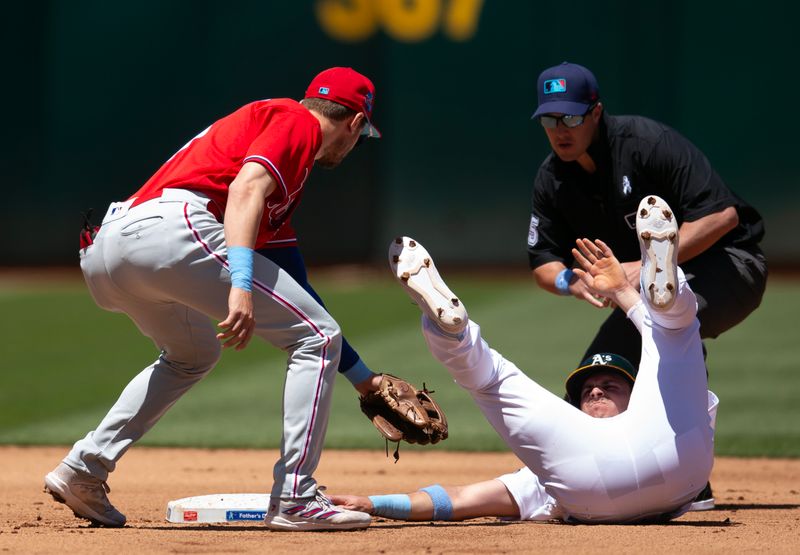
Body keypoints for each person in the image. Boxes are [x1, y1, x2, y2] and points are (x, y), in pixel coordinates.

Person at [43, 67, 386, 531]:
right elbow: (245, 189)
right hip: (172, 230)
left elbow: (301, 295)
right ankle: (296, 498)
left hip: (110, 248)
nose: (356, 145)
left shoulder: (286, 170)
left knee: (193, 354)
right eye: (362, 135)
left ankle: (85, 467)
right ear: (353, 123)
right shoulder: (295, 121)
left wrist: (364, 380)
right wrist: (240, 286)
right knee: (318, 338)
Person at [335, 195, 718, 524]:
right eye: (588, 390)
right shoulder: (559, 460)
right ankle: (670, 293)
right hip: (678, 469)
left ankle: (453, 336)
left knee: (490, 380)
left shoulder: (656, 413)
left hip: (615, 478)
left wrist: (621, 289)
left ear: (638, 396)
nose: (597, 389)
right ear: (576, 410)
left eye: (610, 385)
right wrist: (373, 503)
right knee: (673, 330)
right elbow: (462, 500)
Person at [526, 62, 766, 509]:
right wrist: (570, 280)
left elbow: (723, 216)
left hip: (731, 265)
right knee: (600, 370)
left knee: (659, 308)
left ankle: (687, 478)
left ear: (596, 112)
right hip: (651, 288)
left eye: (571, 117)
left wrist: (648, 265)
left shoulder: (646, 144)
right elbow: (542, 260)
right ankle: (603, 473)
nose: (560, 129)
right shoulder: (552, 178)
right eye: (550, 119)